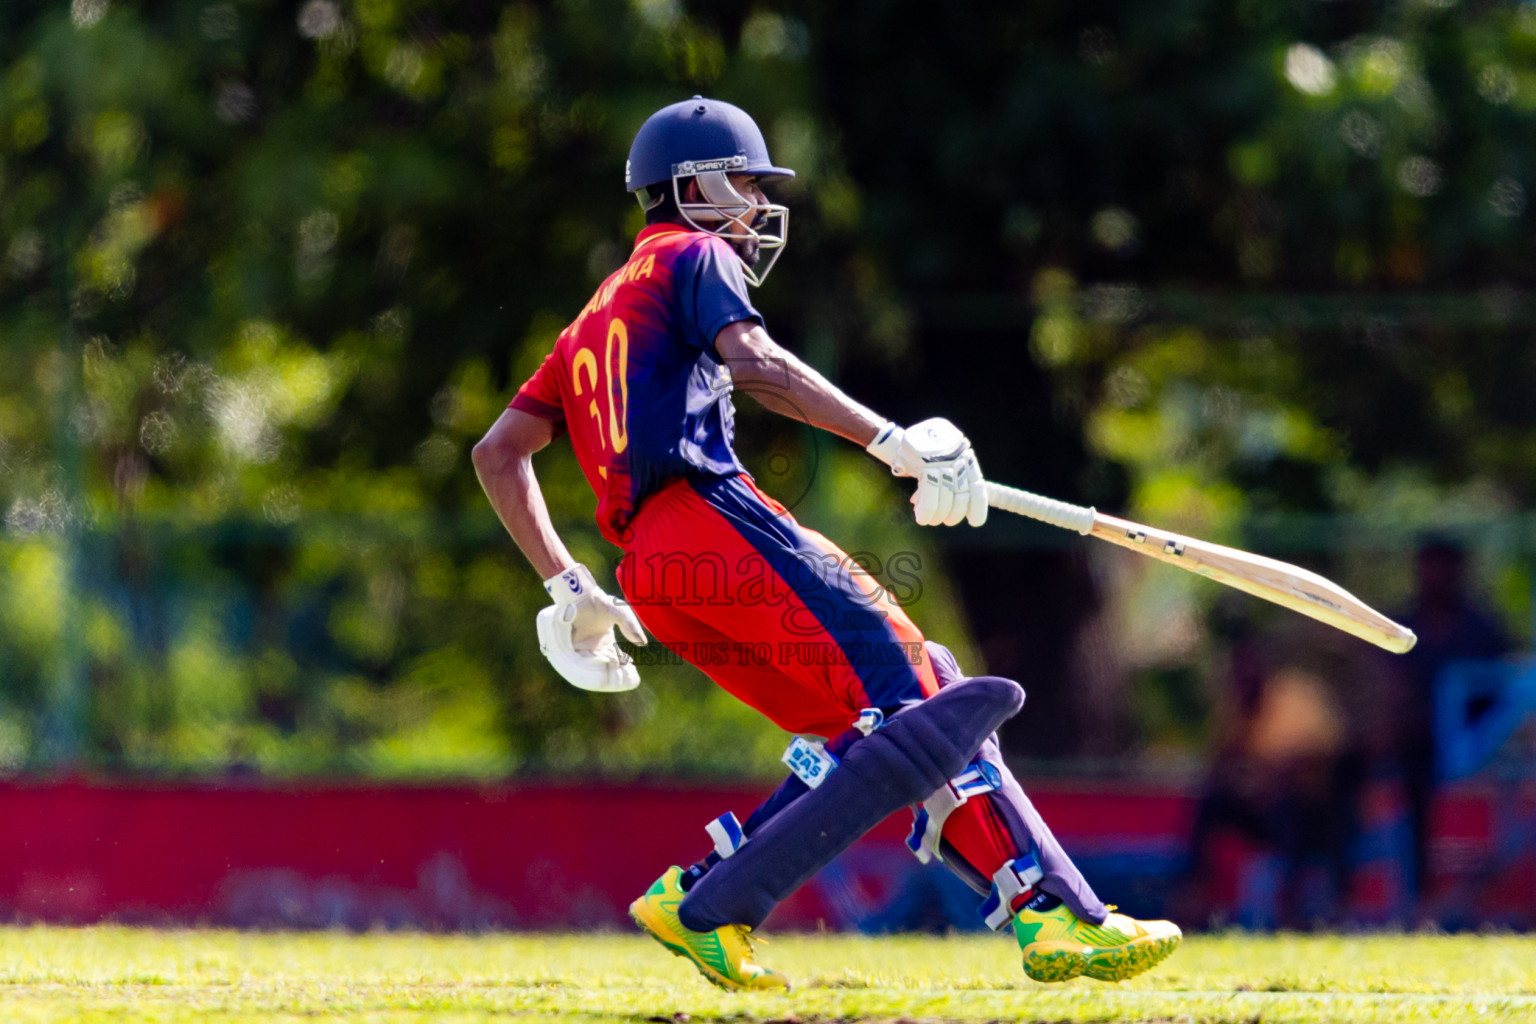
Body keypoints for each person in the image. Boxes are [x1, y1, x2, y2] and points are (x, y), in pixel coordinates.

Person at [472, 96, 1179, 990]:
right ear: (688, 187)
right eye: (743, 183)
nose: (757, 207)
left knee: (885, 728)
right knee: (919, 683)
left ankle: (699, 901)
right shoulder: (694, 254)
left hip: (652, 573)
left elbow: (497, 453)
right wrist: (894, 442)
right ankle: (1058, 917)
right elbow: (759, 367)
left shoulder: (589, 319)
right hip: (711, 518)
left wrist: (567, 585)